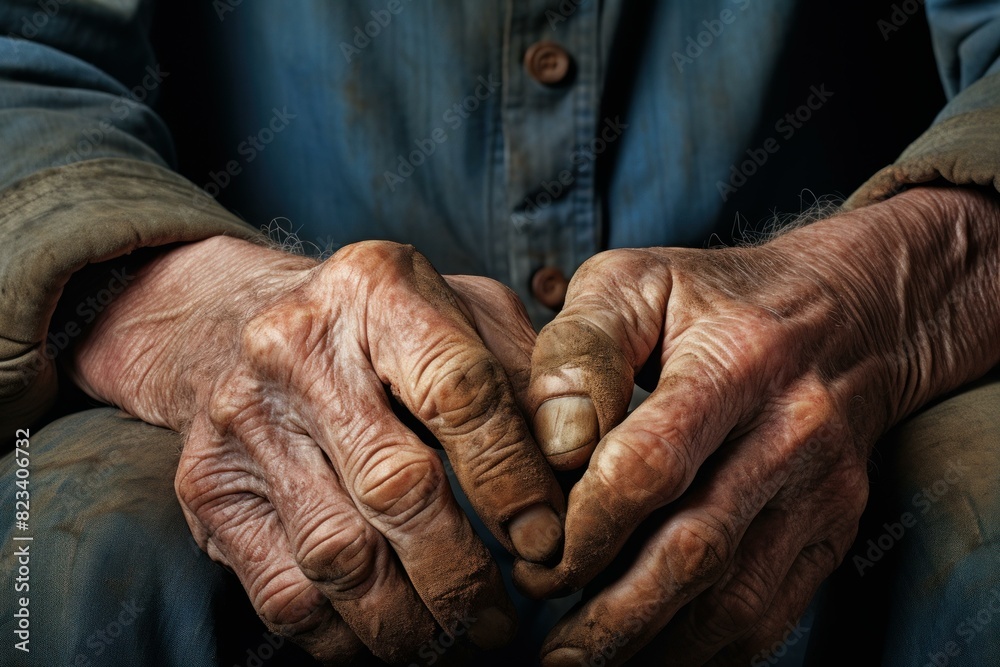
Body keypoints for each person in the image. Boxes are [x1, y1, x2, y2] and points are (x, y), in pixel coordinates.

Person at [1, 1, 998, 665]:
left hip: (860, 340)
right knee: (59, 554)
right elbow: (23, 62)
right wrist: (202, 312)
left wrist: (878, 296)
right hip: (239, 300)